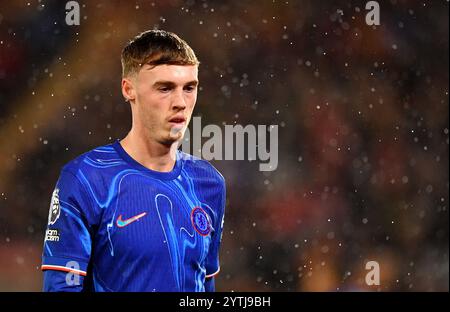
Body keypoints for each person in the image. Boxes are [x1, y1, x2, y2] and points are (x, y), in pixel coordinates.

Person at [41, 30, 226, 292]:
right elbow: (61, 288)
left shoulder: (209, 183)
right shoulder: (86, 179)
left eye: (189, 88)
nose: (180, 102)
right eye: (165, 88)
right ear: (129, 89)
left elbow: (205, 286)